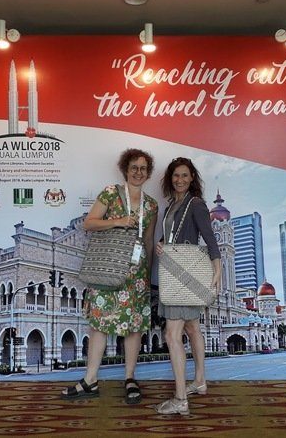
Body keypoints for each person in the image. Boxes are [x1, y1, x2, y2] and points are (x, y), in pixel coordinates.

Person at [61, 149, 158, 404]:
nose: (138, 172)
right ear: (125, 169)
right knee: (99, 325)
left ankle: (129, 377)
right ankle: (90, 379)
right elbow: (89, 223)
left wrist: (147, 275)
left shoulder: (151, 205)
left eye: (143, 168)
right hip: (107, 267)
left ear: (148, 174)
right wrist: (117, 220)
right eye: (134, 167)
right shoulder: (110, 193)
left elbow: (147, 240)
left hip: (135, 274)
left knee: (134, 327)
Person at [155, 157, 221, 416]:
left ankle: (181, 398)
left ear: (192, 177)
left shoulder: (196, 204)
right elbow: (172, 237)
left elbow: (210, 239)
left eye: (184, 175)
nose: (179, 180)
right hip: (175, 271)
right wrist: (160, 243)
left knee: (172, 335)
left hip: (184, 275)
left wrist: (217, 270)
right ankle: (200, 381)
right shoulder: (173, 205)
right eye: (175, 176)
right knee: (193, 328)